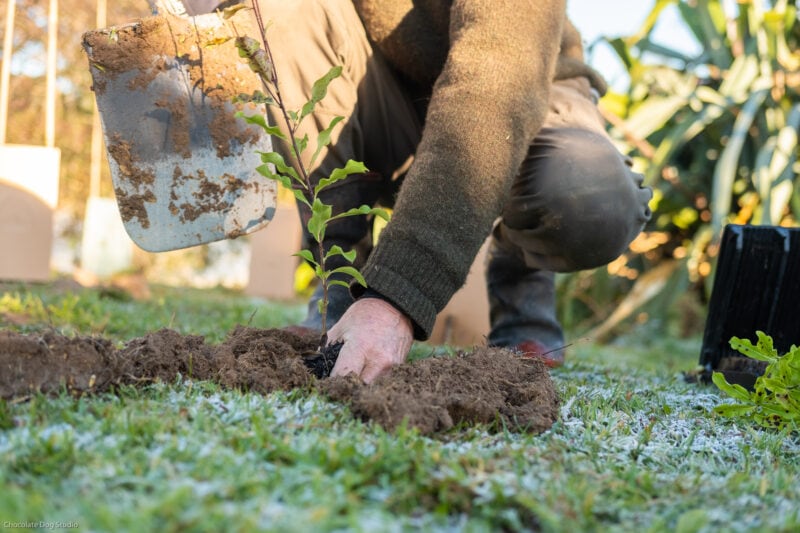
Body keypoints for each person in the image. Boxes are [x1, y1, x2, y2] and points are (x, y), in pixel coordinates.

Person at [252, 0, 652, 383]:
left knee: (593, 199)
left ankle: (522, 280)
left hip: (525, 87)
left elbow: (494, 87)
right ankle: (338, 288)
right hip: (385, 84)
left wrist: (394, 300)